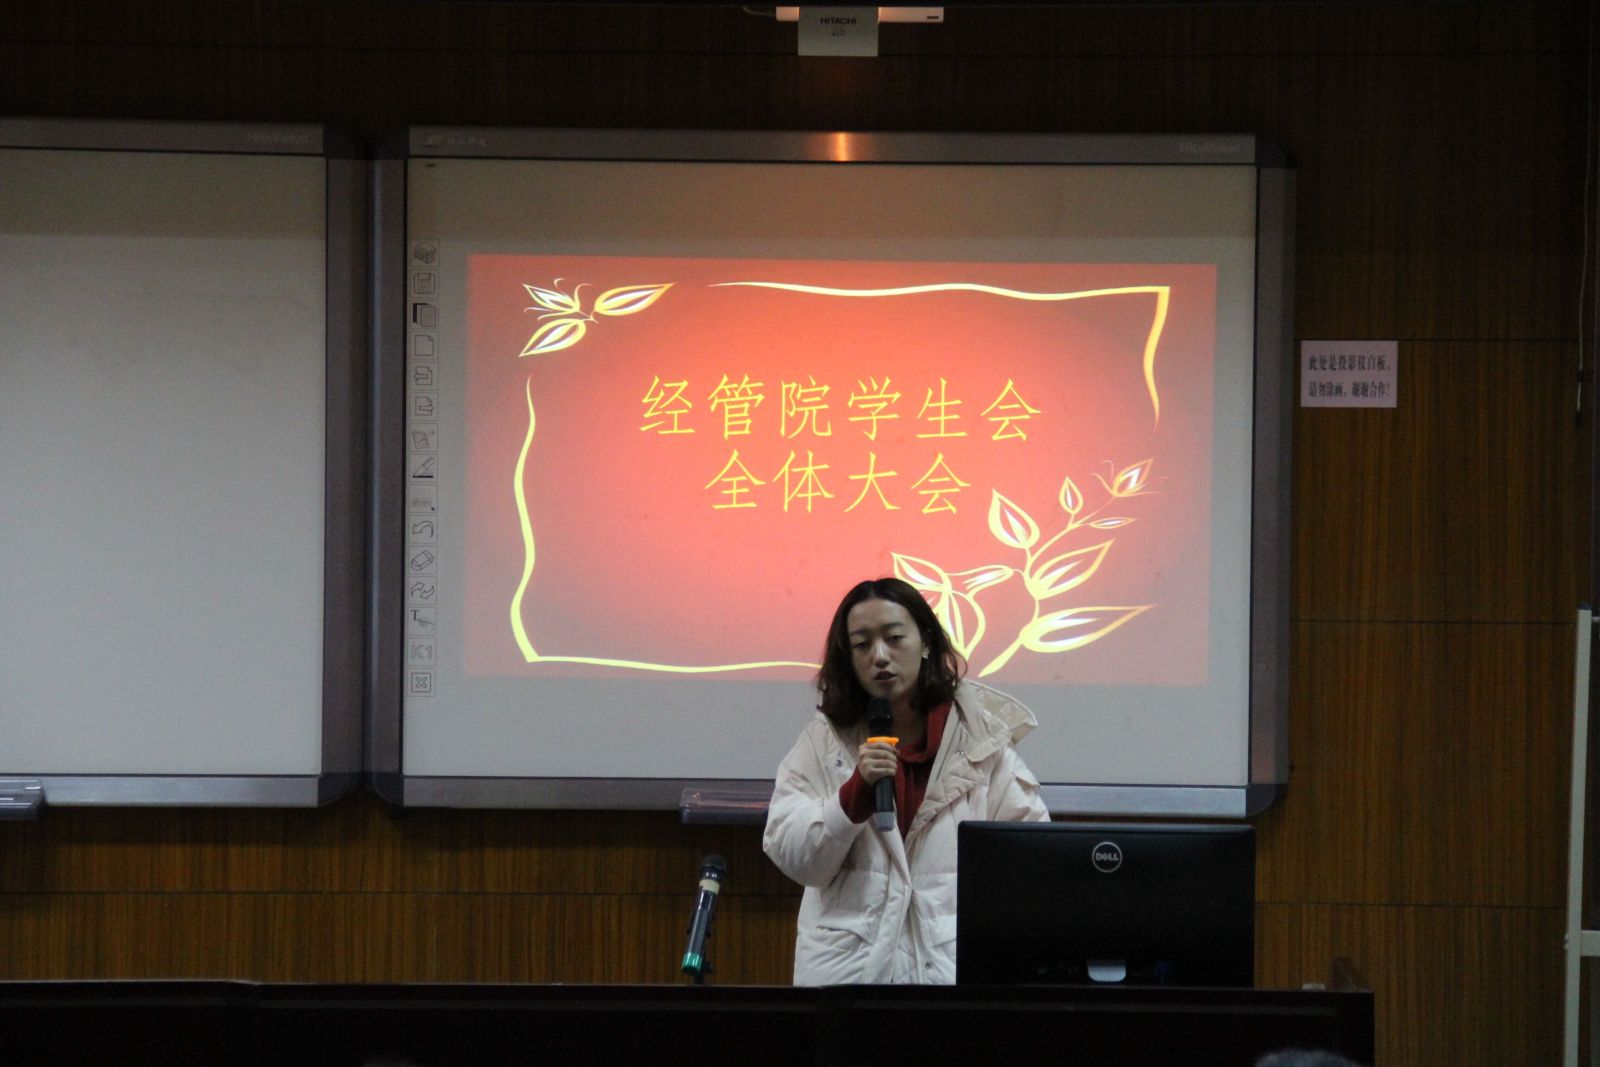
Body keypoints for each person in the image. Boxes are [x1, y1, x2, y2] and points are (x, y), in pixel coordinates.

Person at [763, 577, 1050, 985]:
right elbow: (795, 860)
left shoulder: (982, 744)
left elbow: (1033, 865)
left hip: (953, 978)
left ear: (926, 641)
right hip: (848, 981)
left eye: (894, 638)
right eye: (862, 645)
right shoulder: (823, 743)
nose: (880, 656)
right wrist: (849, 800)